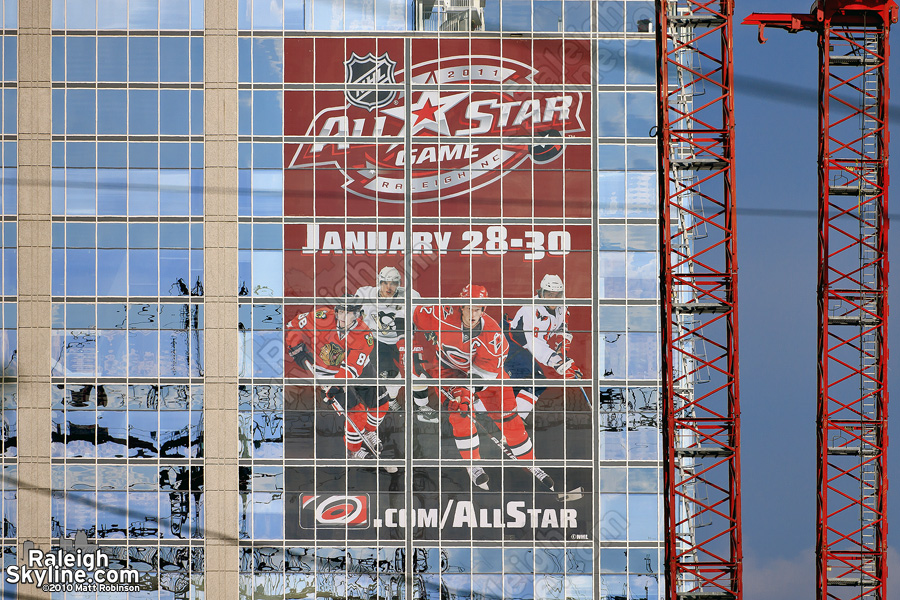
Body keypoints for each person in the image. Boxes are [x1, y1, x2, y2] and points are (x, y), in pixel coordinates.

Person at [412, 284, 548, 491]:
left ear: (484, 309)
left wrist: (467, 395)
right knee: (460, 414)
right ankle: (473, 465)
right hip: (449, 370)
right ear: (461, 306)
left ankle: (531, 463)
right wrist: (418, 343)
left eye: (478, 309)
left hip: (487, 376)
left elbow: (481, 376)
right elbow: (413, 313)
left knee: (509, 418)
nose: (472, 313)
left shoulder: (493, 338)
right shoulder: (439, 313)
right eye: (468, 308)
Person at [284, 297, 395, 471]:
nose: (343, 316)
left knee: (382, 404)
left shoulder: (364, 334)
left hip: (357, 369)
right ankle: (354, 451)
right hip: (326, 373)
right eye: (341, 311)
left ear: (357, 314)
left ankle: (368, 431)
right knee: (357, 415)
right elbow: (293, 325)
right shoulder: (322, 317)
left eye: (349, 312)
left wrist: (337, 385)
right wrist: (295, 346)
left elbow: (352, 367)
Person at [505, 274, 583, 417]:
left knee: (519, 387)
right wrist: (558, 363)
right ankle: (513, 424)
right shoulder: (531, 310)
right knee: (535, 382)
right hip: (511, 344)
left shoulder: (562, 306)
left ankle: (487, 414)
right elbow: (534, 344)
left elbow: (562, 329)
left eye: (557, 294)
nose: (553, 298)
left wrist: (563, 349)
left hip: (525, 349)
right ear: (541, 292)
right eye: (549, 294)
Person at [354, 266, 421, 413]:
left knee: (416, 372)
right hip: (380, 340)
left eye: (393, 283)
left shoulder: (410, 295)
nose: (388, 287)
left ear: (399, 284)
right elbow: (352, 314)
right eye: (385, 282)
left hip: (403, 341)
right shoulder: (366, 293)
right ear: (379, 282)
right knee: (389, 374)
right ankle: (390, 400)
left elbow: (421, 317)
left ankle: (421, 404)